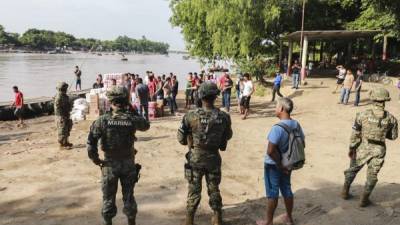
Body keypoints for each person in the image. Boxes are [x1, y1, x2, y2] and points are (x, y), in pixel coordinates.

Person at [87, 86, 150, 225]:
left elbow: (91, 143)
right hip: (128, 164)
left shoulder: (103, 120)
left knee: (108, 198)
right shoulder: (131, 118)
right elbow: (146, 125)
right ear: (126, 100)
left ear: (110, 101)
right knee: (129, 197)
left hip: (109, 164)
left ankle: (108, 222)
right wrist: (133, 110)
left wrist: (96, 160)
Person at [177, 82, 233, 225]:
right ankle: (217, 218)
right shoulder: (224, 117)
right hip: (213, 158)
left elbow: (181, 139)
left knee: (194, 190)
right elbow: (227, 137)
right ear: (215, 97)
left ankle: (189, 220)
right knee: (214, 188)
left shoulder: (190, 116)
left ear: (201, 96)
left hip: (195, 158)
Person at [342, 87, 398, 207]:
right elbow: (393, 137)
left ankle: (344, 192)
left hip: (362, 148)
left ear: (373, 99)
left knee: (353, 169)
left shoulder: (362, 115)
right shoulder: (391, 119)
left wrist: (352, 148)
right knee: (372, 175)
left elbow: (355, 134)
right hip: (379, 150)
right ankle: (364, 200)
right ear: (385, 101)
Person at [257, 97, 305, 225]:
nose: (275, 109)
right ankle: (289, 218)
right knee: (287, 189)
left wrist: (280, 164)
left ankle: (268, 222)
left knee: (272, 193)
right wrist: (286, 163)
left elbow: (270, 151)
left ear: (282, 109)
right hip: (289, 163)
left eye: (276, 106)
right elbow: (302, 143)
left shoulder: (277, 128)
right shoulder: (296, 124)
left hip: (273, 165)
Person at [54, 82, 73, 150]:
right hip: (61, 115)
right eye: (65, 88)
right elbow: (60, 106)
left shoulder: (63, 95)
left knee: (67, 128)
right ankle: (62, 145)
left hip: (65, 114)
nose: (66, 89)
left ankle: (66, 142)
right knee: (62, 130)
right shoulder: (59, 96)